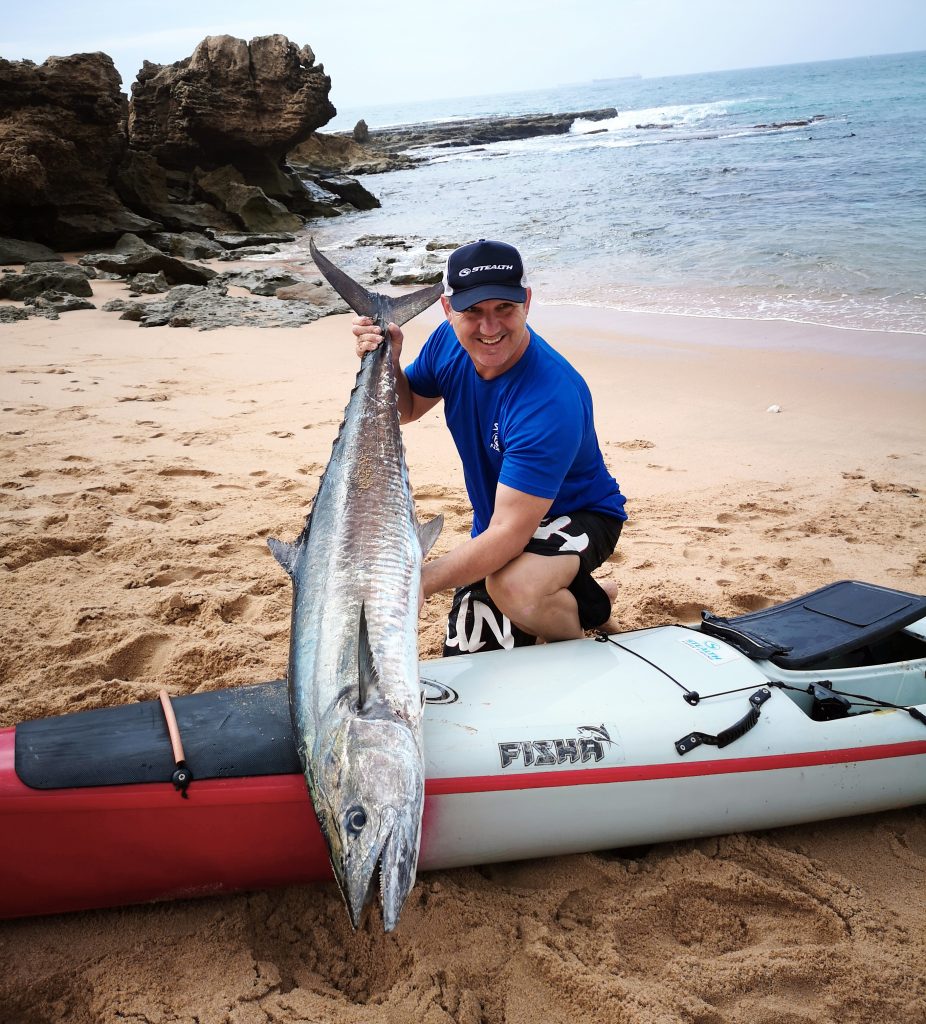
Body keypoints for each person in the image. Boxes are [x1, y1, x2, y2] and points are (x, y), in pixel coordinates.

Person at [352, 239, 627, 656]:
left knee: (515, 587)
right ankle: (588, 600)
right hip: (502, 522)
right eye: (473, 312)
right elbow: (406, 409)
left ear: (527, 303)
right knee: (471, 649)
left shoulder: (549, 399)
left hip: (578, 515)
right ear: (447, 310)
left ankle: (578, 651)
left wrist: (415, 582)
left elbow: (508, 535)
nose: (490, 327)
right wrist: (388, 359)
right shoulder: (447, 342)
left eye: (505, 309)